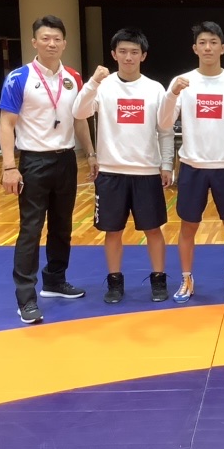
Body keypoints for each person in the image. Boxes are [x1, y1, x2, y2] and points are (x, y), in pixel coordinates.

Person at [0, 15, 96, 324]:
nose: (51, 43)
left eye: (56, 39)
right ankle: (25, 297)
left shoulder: (73, 78)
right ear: (34, 42)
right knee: (31, 229)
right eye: (45, 38)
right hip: (33, 162)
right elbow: (6, 123)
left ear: (65, 43)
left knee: (62, 225)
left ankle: (55, 280)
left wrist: (91, 154)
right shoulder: (19, 78)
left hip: (66, 160)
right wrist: (9, 166)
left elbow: (80, 119)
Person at [72, 28, 174, 303]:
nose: (129, 57)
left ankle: (158, 279)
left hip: (147, 172)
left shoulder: (155, 89)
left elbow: (165, 130)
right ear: (114, 54)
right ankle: (114, 282)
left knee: (153, 230)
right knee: (113, 231)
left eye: (134, 52)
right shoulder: (102, 86)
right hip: (111, 172)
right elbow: (79, 112)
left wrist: (166, 164)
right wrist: (92, 82)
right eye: (123, 51)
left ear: (143, 56)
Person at [158, 22, 224, 303]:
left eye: (213, 42)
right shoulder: (182, 82)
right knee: (188, 226)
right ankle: (186, 278)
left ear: (222, 48)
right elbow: (164, 123)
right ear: (195, 48)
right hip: (192, 166)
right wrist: (172, 94)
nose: (208, 47)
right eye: (202, 42)